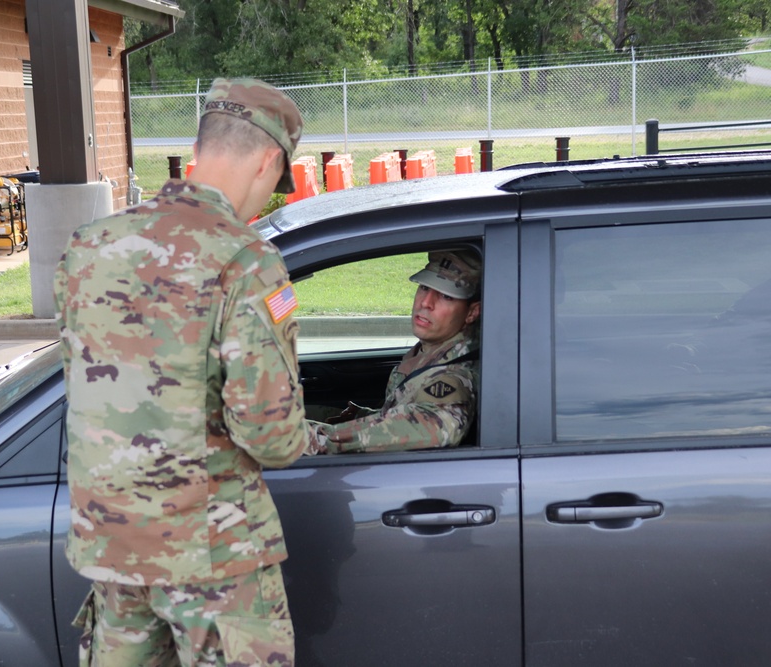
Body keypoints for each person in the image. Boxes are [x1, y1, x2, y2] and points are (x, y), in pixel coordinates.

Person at [55, 78, 307, 667]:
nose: (267, 198)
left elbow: (82, 380)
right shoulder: (245, 260)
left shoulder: (88, 247)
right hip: (212, 557)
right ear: (270, 160)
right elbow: (271, 437)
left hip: (112, 552)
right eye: (277, 182)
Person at [306, 250, 482, 455]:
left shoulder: (456, 376)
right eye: (425, 287)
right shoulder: (434, 351)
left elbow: (437, 426)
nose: (426, 302)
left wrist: (316, 438)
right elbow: (408, 411)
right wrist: (362, 416)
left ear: (472, 313)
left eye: (445, 296)